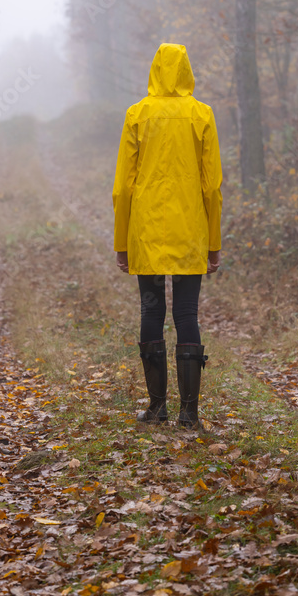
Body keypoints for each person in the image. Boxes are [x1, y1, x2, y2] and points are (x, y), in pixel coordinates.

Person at [112, 43, 222, 428]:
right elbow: (212, 187)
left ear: (155, 69)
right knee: (187, 313)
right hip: (191, 230)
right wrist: (214, 241)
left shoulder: (138, 114)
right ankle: (189, 413)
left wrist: (122, 242)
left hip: (146, 231)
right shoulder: (202, 114)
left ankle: (157, 406)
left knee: (152, 310)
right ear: (186, 70)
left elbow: (122, 188)